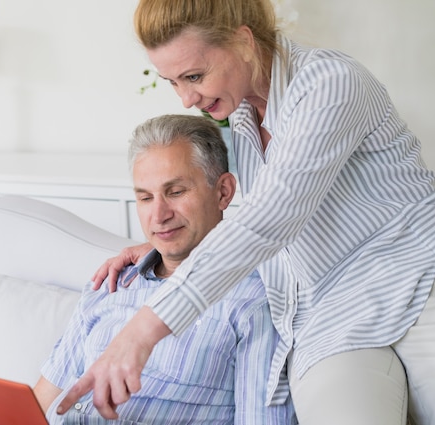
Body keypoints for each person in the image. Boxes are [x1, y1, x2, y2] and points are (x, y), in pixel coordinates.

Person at [57, 1, 435, 425]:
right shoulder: (241, 113)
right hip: (331, 313)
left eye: (195, 76)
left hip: (418, 277)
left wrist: (141, 332)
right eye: (172, 82)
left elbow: (269, 220)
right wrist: (163, 242)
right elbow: (261, 210)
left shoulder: (330, 82)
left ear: (242, 41)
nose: (186, 98)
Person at [34, 114, 297, 424]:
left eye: (175, 192)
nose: (158, 215)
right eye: (145, 197)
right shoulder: (112, 283)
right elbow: (38, 402)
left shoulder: (254, 302)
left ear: (223, 191)